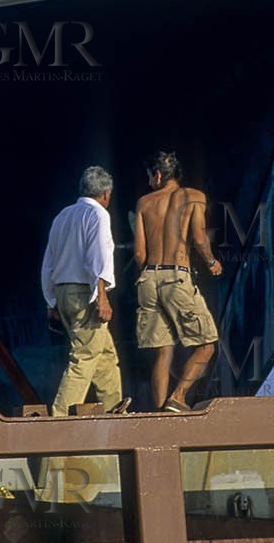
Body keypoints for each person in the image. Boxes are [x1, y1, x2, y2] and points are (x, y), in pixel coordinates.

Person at [132, 150, 222, 412]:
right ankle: (178, 397)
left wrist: (151, 272)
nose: (149, 181)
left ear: (158, 175)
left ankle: (161, 412)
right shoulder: (194, 197)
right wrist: (212, 263)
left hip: (148, 279)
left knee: (163, 350)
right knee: (206, 345)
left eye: (149, 176)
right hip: (176, 276)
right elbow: (199, 237)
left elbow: (139, 254)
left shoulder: (144, 203)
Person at [41, 166, 126, 415]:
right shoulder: (98, 214)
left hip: (63, 291)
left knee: (106, 356)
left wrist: (51, 301)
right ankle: (60, 416)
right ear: (106, 194)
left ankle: (114, 411)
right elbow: (99, 256)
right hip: (84, 293)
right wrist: (102, 297)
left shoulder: (62, 216)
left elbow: (49, 262)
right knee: (85, 354)